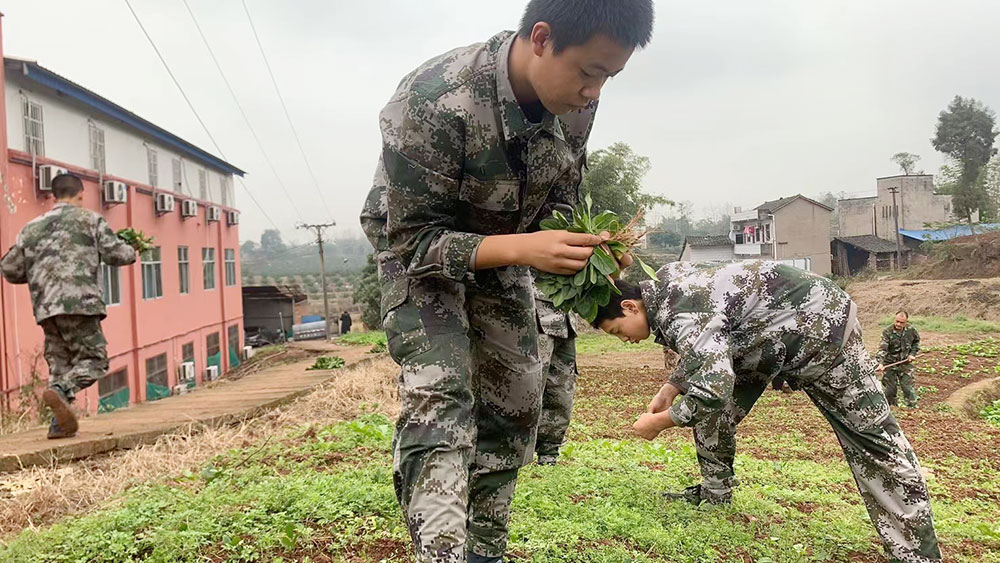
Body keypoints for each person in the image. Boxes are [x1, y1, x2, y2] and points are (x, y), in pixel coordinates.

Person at [358, 1, 654, 560]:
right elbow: (413, 241)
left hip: (507, 254)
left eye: (609, 79)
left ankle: (484, 550)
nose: (595, 93)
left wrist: (588, 258)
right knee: (441, 397)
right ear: (542, 38)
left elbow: (557, 205)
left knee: (516, 402)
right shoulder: (431, 100)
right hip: (423, 258)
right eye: (590, 73)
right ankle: (441, 553)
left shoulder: (574, 106)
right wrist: (523, 248)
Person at [592, 261, 941, 563]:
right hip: (763, 338)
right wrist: (672, 386)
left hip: (820, 327)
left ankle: (916, 551)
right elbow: (715, 330)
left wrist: (658, 423)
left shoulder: (679, 310)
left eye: (617, 331)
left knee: (874, 441)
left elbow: (711, 383)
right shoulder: (668, 282)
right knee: (714, 409)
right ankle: (716, 493)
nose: (625, 340)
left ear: (630, 307)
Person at [0, 173, 139, 439]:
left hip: (46, 309)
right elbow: (117, 254)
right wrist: (133, 250)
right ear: (80, 194)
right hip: (81, 304)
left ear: (53, 196)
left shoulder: (30, 229)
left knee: (60, 364)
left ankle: (59, 425)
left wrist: (39, 271)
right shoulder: (90, 220)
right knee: (95, 361)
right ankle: (63, 391)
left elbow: (10, 269)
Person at [534, 285, 577, 465]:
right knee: (527, 386)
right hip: (533, 311)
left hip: (565, 313)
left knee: (561, 389)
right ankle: (506, 454)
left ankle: (549, 453)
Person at [877, 311, 921, 408]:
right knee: (890, 390)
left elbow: (916, 342)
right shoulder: (887, 332)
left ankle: (913, 409)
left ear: (906, 322)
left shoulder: (911, 330)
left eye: (901, 322)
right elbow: (882, 349)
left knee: (908, 387)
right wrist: (880, 363)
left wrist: (912, 354)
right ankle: (892, 409)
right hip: (890, 364)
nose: (898, 324)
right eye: (897, 321)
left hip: (905, 363)